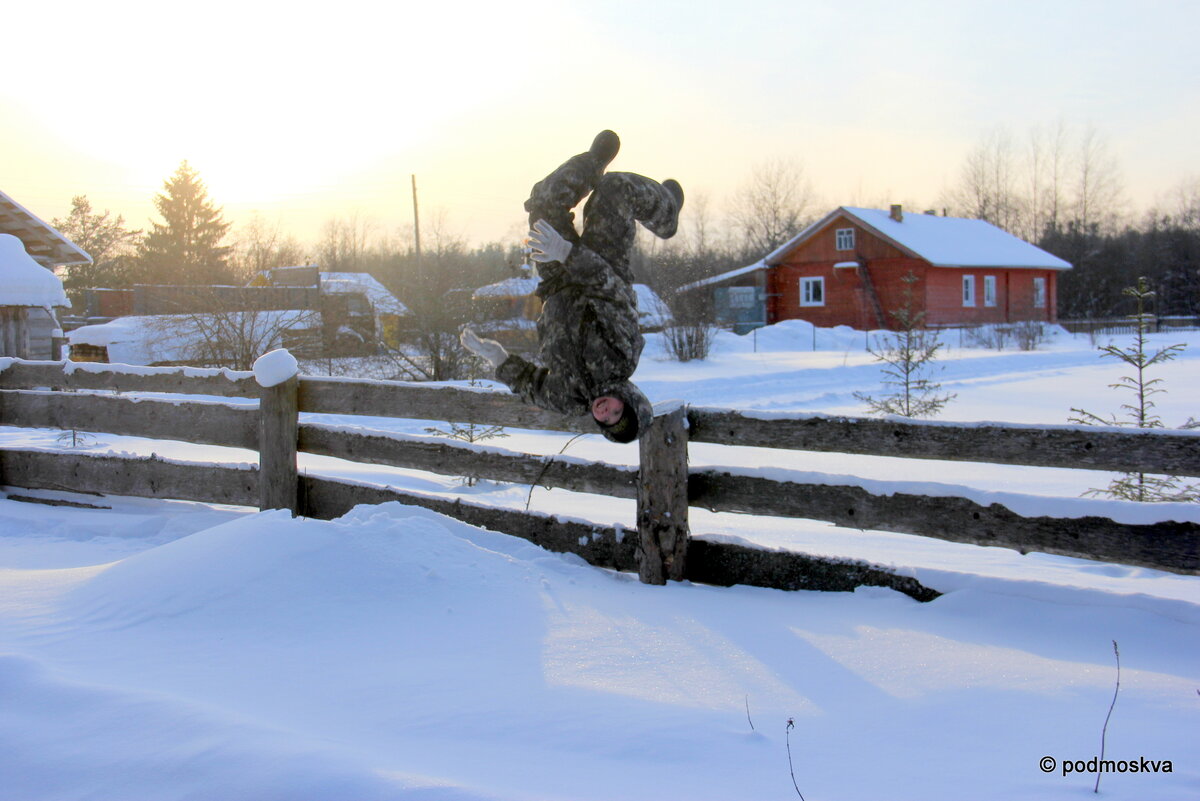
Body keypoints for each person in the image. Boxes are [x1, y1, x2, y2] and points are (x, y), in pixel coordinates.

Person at [461, 130, 683, 443]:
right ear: (629, 400)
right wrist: (567, 253)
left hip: (557, 283)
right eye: (618, 413)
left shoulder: (565, 399)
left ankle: (590, 165)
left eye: (606, 422)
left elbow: (530, 385)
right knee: (614, 188)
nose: (606, 413)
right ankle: (666, 212)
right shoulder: (622, 357)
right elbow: (611, 293)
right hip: (602, 267)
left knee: (545, 205)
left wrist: (498, 359)